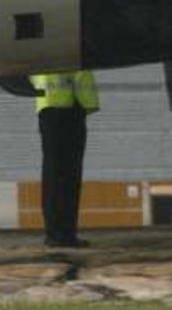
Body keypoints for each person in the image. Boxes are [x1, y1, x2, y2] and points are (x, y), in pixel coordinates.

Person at [30, 70, 100, 248]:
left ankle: (61, 233)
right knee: (65, 175)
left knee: (59, 174)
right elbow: (80, 71)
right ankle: (60, 235)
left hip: (57, 106)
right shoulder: (64, 47)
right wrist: (87, 102)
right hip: (65, 106)